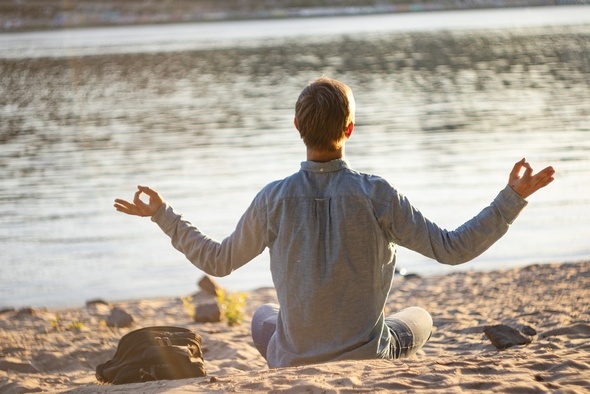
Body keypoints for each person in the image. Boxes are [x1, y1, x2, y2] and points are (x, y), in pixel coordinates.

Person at [114, 76, 555, 368]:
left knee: (262, 317)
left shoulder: (273, 198)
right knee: (421, 316)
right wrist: (511, 199)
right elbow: (453, 248)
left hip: (292, 359)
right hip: (367, 355)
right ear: (349, 129)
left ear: (296, 127)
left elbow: (218, 261)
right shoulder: (376, 193)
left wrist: (162, 215)